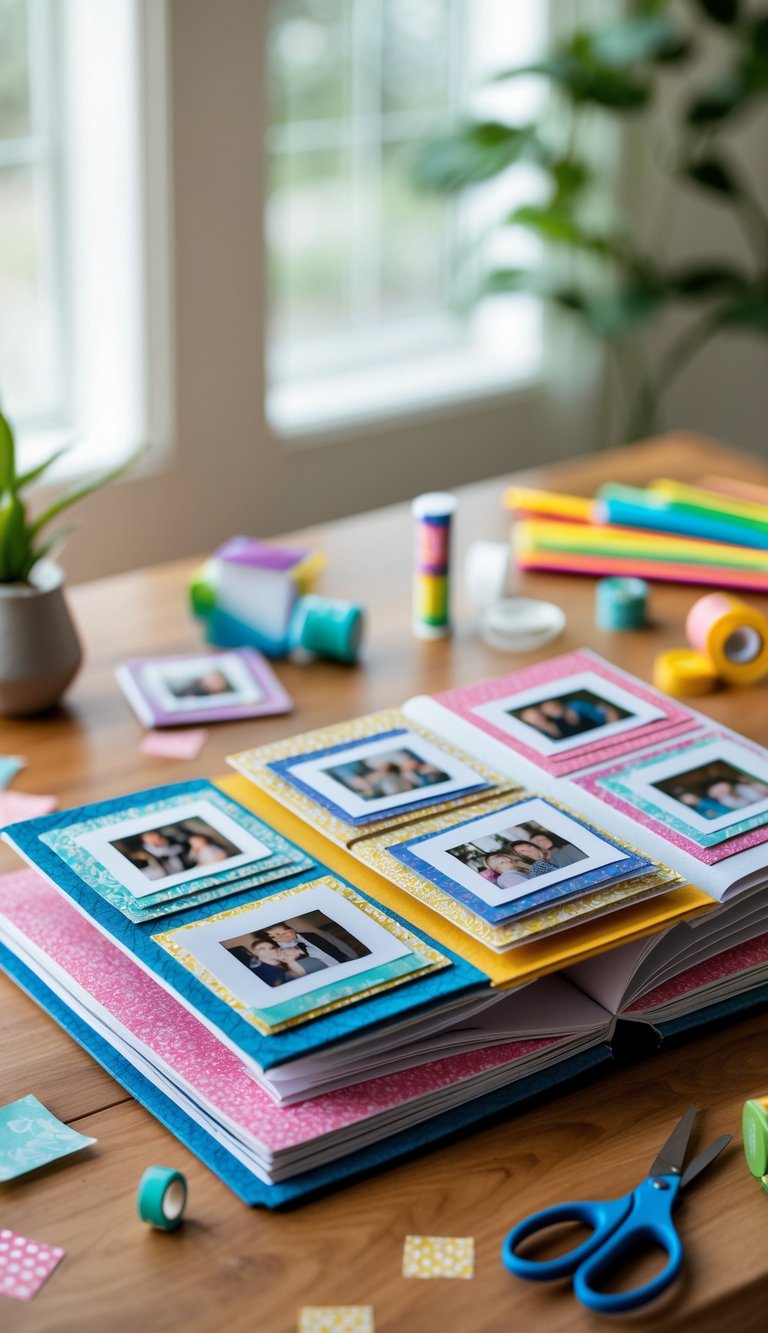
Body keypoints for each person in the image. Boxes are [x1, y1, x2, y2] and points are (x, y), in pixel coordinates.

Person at [263, 921, 361, 965]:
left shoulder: (310, 938)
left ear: (290, 931)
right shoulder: (299, 944)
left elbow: (338, 954)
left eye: (278, 934)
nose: (277, 938)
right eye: (273, 936)